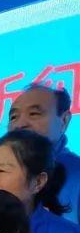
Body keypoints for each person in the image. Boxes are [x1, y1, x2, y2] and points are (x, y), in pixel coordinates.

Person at [8, 83, 80, 223]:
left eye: (34, 114)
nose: (19, 124)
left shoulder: (76, 174)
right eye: (13, 117)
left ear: (64, 121)